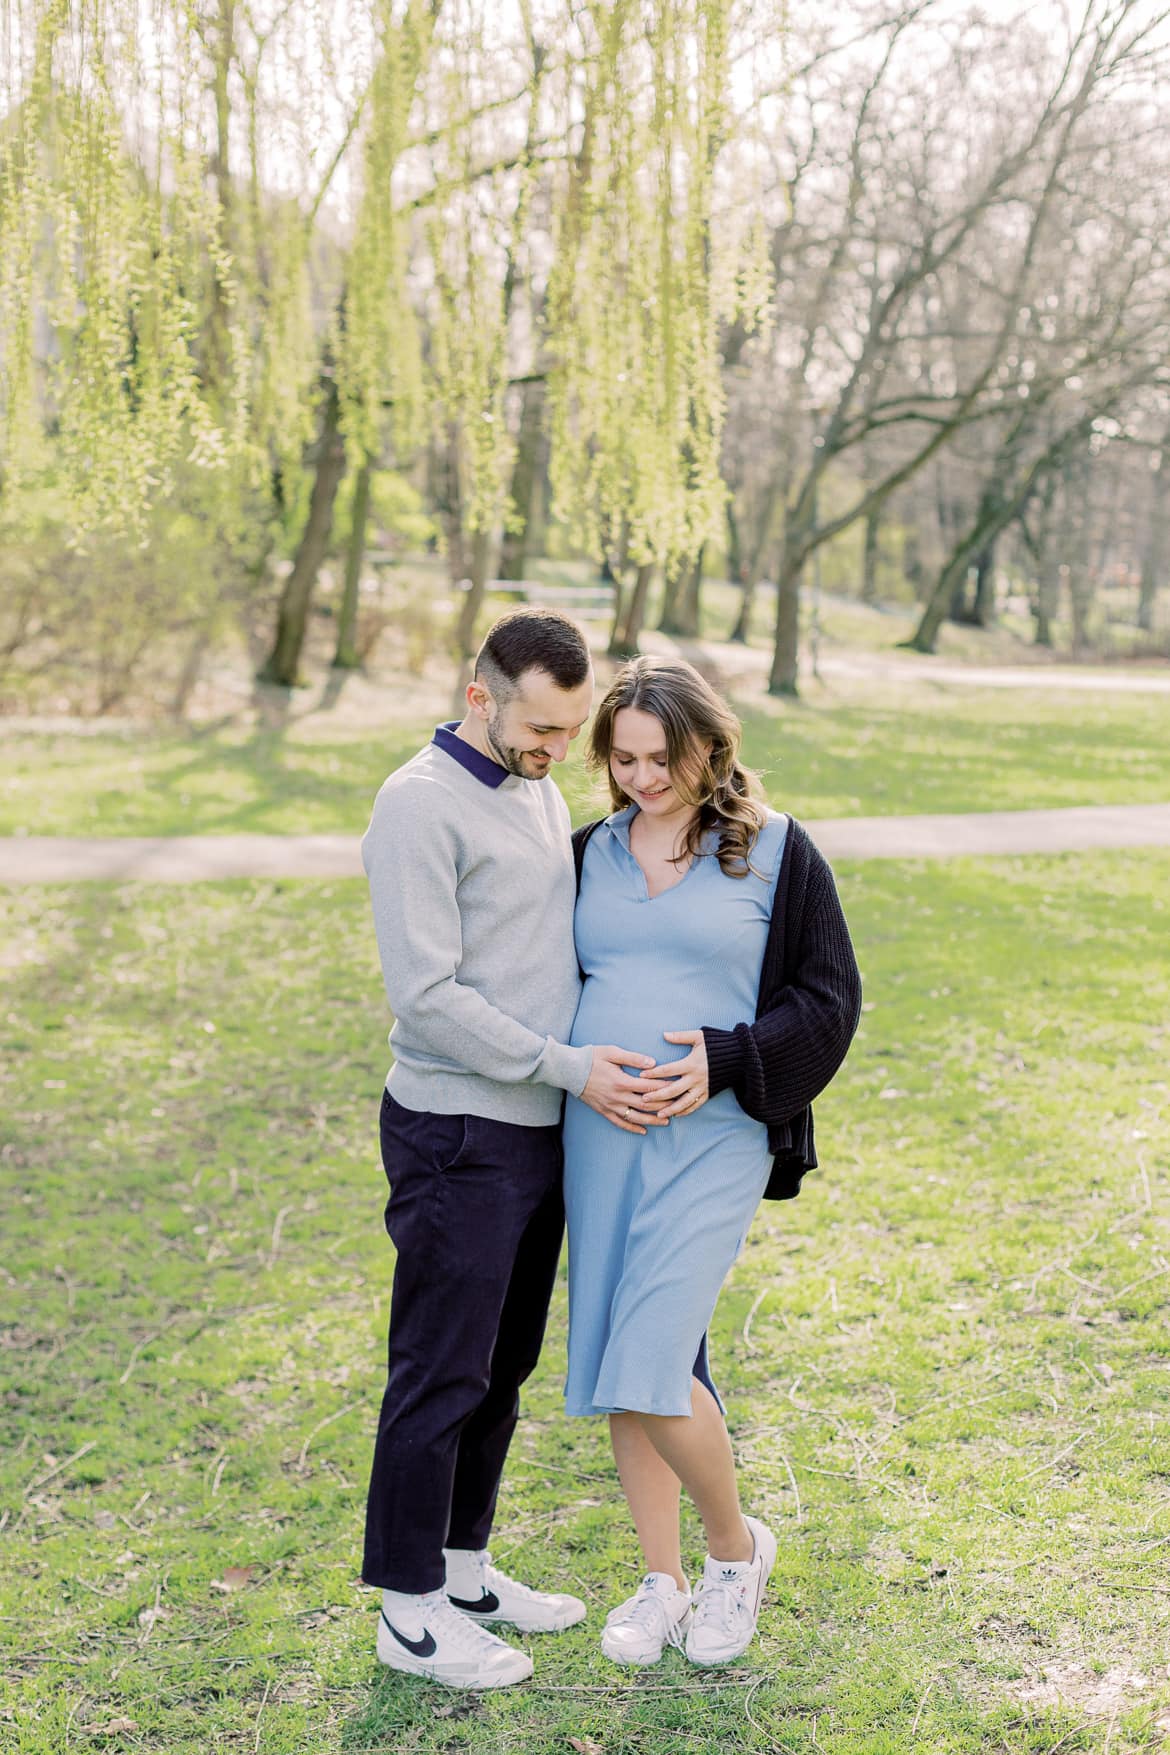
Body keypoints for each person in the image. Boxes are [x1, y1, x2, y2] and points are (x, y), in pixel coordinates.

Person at [360, 609, 664, 1690]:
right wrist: (570, 1066)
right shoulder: (417, 806)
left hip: (537, 1129)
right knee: (438, 1371)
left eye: (567, 729)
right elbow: (429, 999)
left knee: (501, 1368)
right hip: (456, 1129)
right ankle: (406, 1609)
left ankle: (463, 1567)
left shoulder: (532, 786)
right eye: (538, 726)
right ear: (478, 696)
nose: (554, 751)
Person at [562, 655, 862, 1669]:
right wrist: (577, 1071)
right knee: (623, 1365)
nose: (641, 779)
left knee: (650, 1360)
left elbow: (828, 1003)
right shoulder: (586, 853)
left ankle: (736, 1557)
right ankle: (663, 1579)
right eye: (623, 758)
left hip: (717, 1138)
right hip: (600, 1139)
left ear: (708, 747)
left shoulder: (776, 852)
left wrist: (727, 1062)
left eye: (661, 759)